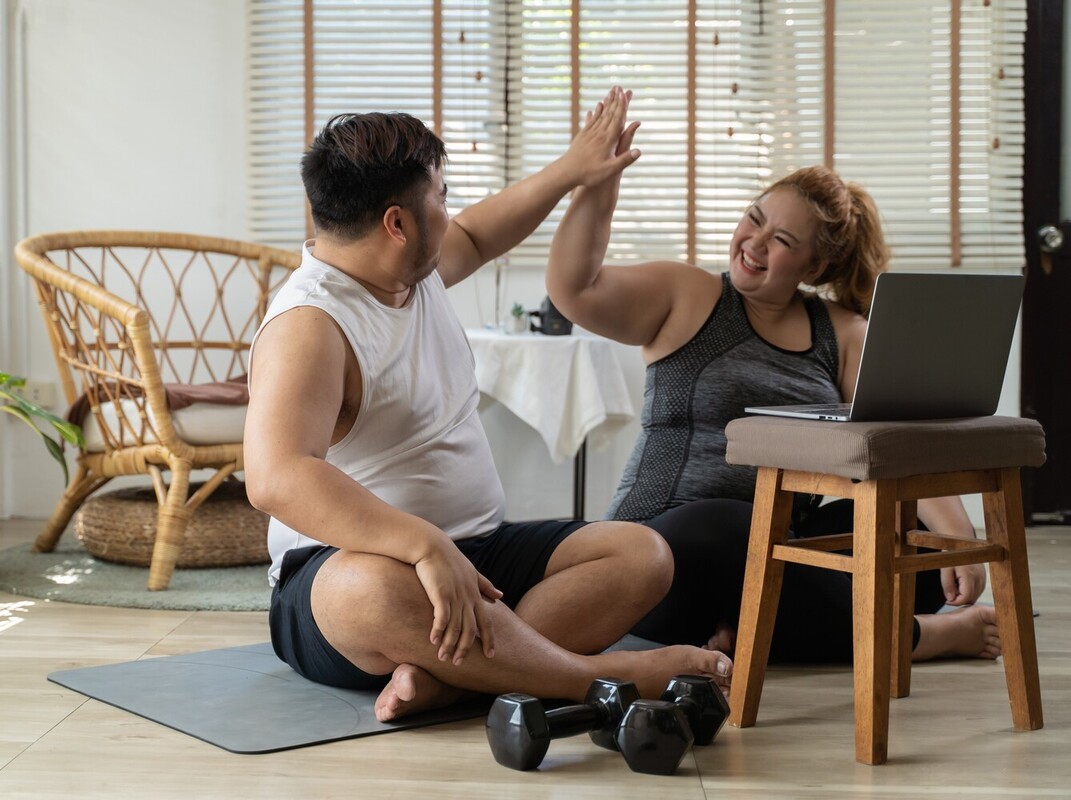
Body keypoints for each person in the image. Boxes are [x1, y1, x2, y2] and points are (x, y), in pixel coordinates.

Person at [243, 90, 732, 724]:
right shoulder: (310, 323)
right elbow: (276, 476)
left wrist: (575, 169)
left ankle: (456, 679)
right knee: (369, 594)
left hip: (479, 551)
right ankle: (596, 678)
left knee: (644, 555)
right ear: (397, 224)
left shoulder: (408, 270)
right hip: (348, 574)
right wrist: (420, 546)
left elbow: (480, 231)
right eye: (441, 198)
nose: (451, 214)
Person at [546, 86, 1001, 665]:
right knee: (735, 526)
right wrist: (598, 181)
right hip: (663, 552)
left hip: (779, 553)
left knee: (900, 524)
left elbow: (898, 438)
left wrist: (955, 540)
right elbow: (573, 289)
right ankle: (914, 639)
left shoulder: (843, 332)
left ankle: (756, 631)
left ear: (814, 266)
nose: (753, 244)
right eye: (754, 220)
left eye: (781, 241)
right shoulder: (689, 296)